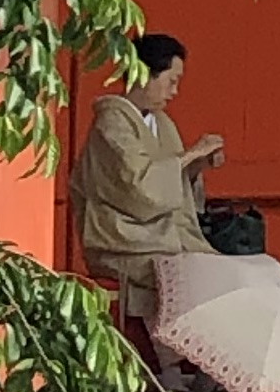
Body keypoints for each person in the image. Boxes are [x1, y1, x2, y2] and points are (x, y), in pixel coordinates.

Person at [75, 33, 221, 329]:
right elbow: (138, 188)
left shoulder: (162, 122)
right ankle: (176, 356)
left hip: (165, 239)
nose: (174, 91)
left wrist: (195, 166)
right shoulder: (111, 123)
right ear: (144, 75)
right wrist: (190, 154)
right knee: (199, 280)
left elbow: (172, 185)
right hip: (125, 243)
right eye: (171, 81)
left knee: (234, 273)